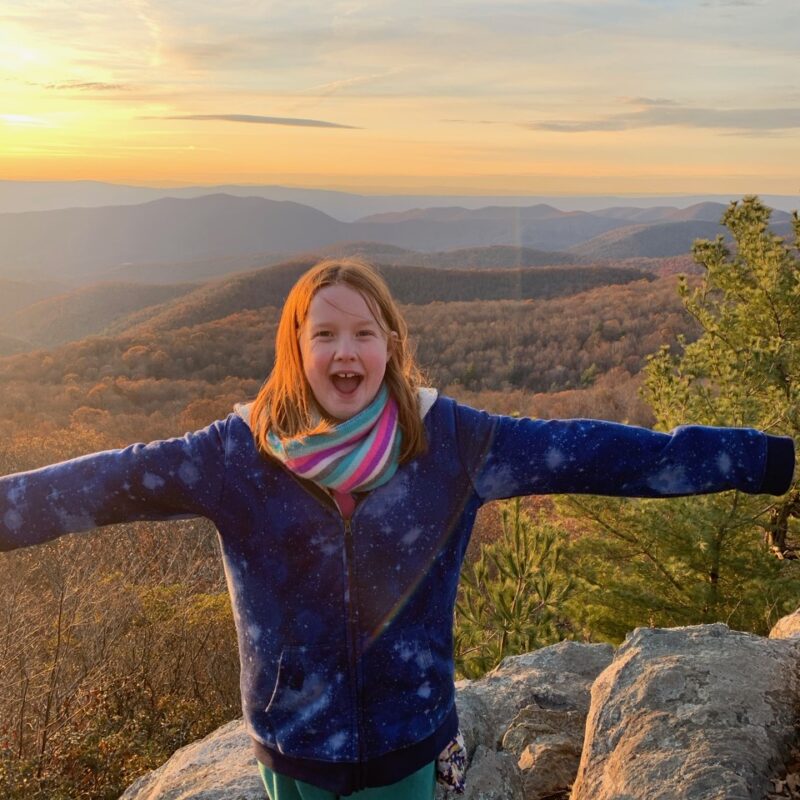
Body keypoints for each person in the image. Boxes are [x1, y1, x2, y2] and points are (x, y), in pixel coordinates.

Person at [0, 258, 795, 800]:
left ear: (390, 345)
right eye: (324, 334)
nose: (345, 352)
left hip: (411, 746)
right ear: (296, 348)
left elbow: (609, 455)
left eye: (364, 334)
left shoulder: (454, 443)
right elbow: (91, 485)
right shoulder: (235, 457)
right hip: (294, 754)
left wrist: (771, 464)